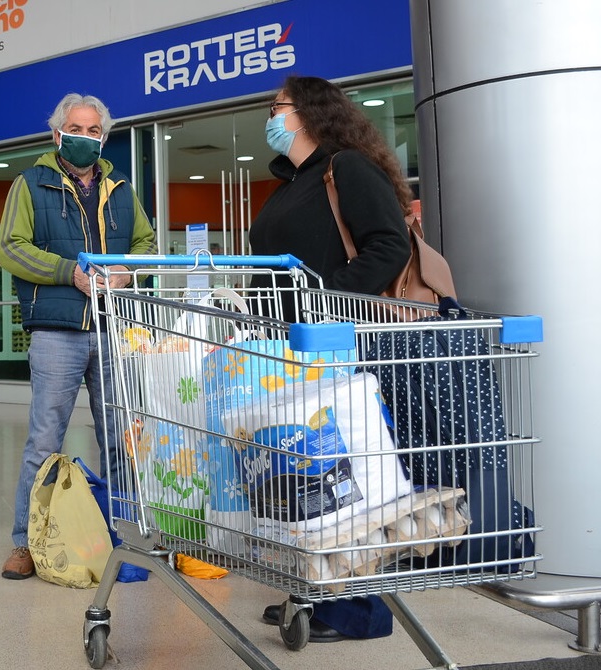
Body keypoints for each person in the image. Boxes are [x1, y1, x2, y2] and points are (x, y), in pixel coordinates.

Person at [249, 75, 412, 642]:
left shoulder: (347, 169)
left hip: (339, 345)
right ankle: (316, 593)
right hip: (291, 348)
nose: (271, 115)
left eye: (278, 106)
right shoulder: (293, 181)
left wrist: (326, 300)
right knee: (311, 475)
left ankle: (360, 613)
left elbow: (390, 244)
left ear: (309, 113)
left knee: (351, 477)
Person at [0, 93, 158, 580]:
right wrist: (70, 273)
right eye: (75, 128)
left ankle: (126, 533)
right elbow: (10, 248)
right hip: (56, 331)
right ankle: (25, 542)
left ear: (103, 136)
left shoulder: (122, 188)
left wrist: (126, 274)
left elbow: (145, 244)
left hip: (113, 329)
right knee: (44, 440)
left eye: (93, 130)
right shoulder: (30, 184)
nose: (84, 137)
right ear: (56, 134)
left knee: (121, 438)